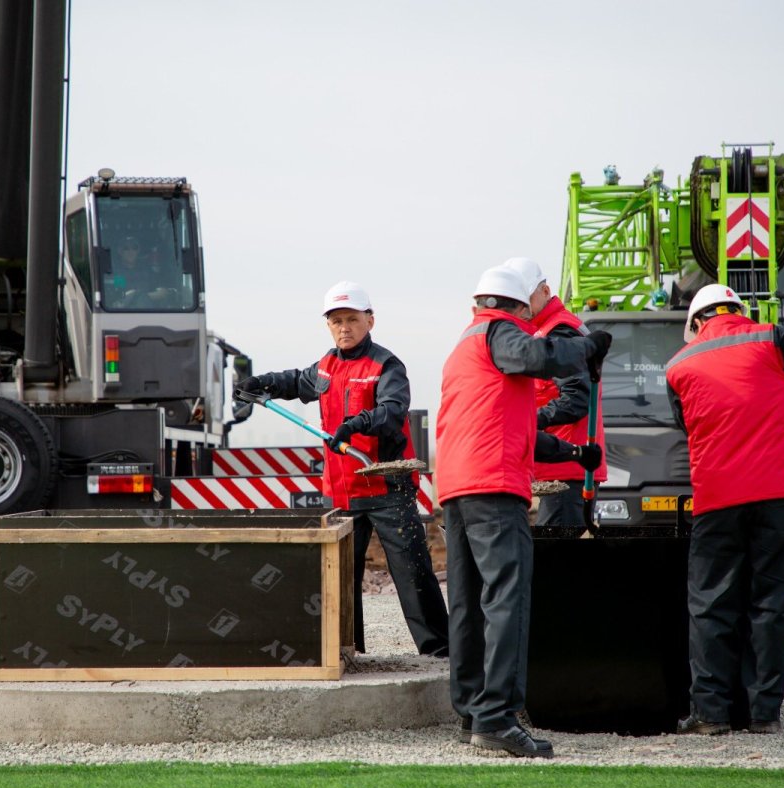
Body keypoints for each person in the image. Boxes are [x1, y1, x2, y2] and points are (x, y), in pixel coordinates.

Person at [436, 264, 610, 758]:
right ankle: (497, 719)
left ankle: (472, 711)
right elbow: (537, 354)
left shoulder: (464, 348)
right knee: (507, 601)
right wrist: (586, 346)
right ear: (514, 307)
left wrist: (576, 455)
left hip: (459, 485)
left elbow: (517, 431)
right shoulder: (499, 332)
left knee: (470, 602)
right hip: (494, 486)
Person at [666, 283, 784, 735]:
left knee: (712, 605)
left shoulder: (678, 366)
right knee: (770, 606)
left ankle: (710, 715)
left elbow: (685, 423)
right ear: (738, 310)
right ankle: (764, 714)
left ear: (695, 322)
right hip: (776, 495)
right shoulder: (772, 339)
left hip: (717, 499)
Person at [233, 281, 449, 658]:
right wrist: (260, 382)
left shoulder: (387, 365)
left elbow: (392, 410)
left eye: (352, 319)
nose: (344, 327)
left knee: (413, 575)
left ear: (370, 320)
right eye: (336, 321)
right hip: (343, 491)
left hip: (387, 486)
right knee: (340, 579)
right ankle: (349, 651)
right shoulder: (326, 368)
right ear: (329, 325)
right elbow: (293, 381)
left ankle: (439, 651)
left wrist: (354, 424)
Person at [503, 257, 607, 527]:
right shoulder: (543, 332)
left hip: (568, 467)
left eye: (526, 298)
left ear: (545, 292)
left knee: (559, 558)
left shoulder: (559, 331)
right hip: (559, 466)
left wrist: (529, 419)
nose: (521, 308)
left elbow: (576, 399)